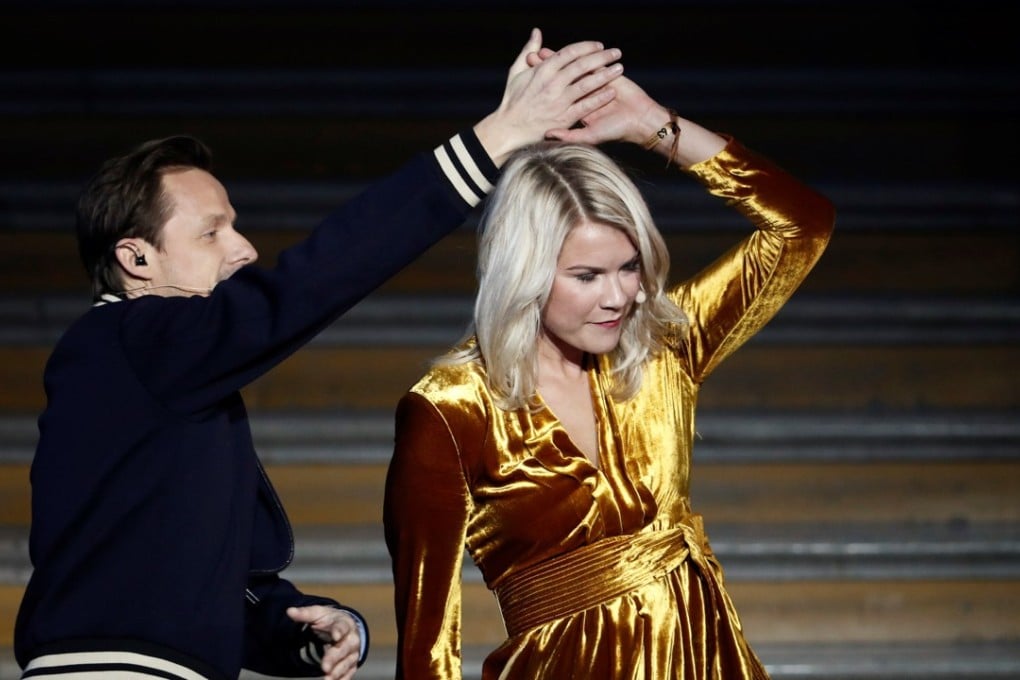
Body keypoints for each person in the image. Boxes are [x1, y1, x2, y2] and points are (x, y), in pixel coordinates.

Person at [13, 29, 625, 680]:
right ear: (135, 259)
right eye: (212, 231)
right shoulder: (129, 338)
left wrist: (297, 623)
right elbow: (312, 279)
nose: (243, 248)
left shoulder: (161, 379)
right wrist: (499, 135)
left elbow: (179, 574)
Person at [382, 67, 836, 679]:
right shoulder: (449, 409)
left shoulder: (664, 346)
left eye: (629, 267)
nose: (618, 296)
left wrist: (654, 128)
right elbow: (427, 642)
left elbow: (801, 225)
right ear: (526, 275)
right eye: (587, 276)